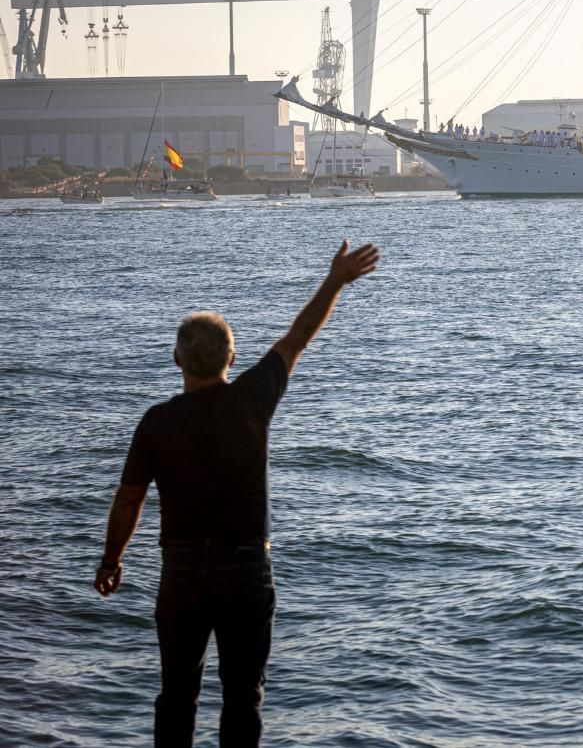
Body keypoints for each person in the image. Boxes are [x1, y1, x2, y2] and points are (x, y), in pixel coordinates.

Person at [94, 240, 382, 747]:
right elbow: (297, 338)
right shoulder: (252, 398)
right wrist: (335, 280)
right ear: (233, 356)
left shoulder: (157, 422)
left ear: (175, 359)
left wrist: (111, 560)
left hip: (181, 572)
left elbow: (128, 499)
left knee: (176, 696)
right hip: (246, 571)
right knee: (243, 698)